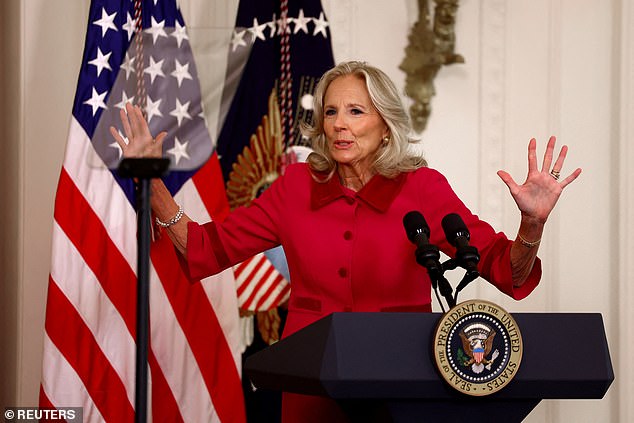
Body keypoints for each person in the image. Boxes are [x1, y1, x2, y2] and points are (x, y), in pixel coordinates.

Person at [110, 60, 581, 422]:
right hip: (311, 392)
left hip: (402, 385)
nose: (339, 123)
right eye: (331, 111)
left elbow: (505, 270)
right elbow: (205, 249)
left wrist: (532, 226)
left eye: (355, 111)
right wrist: (153, 184)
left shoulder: (422, 187)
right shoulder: (295, 187)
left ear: (385, 125)